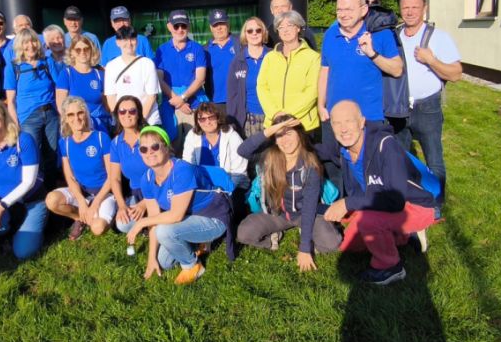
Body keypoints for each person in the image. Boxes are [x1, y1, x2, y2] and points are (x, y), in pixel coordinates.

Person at [322, 100, 439, 285]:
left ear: (361, 122)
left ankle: (390, 267)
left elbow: (395, 199)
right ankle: (405, 235)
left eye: (349, 121)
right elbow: (318, 151)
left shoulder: (386, 145)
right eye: (337, 123)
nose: (343, 129)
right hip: (382, 205)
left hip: (415, 205)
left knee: (368, 222)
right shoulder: (344, 150)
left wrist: (347, 203)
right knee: (350, 246)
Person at [125, 126, 231, 285]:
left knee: (164, 231)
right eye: (144, 149)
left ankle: (192, 266)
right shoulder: (146, 178)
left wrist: (141, 222)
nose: (149, 152)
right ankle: (197, 243)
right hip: (190, 218)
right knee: (165, 262)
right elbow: (154, 219)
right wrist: (151, 259)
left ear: (166, 148)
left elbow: (176, 215)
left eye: (155, 146)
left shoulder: (181, 170)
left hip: (213, 217)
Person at [236, 114, 342, 272]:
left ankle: (305, 232)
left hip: (305, 214)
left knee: (332, 242)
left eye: (289, 133)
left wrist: (305, 248)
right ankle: (274, 237)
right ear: (275, 139)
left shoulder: (310, 165)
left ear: (300, 134)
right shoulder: (270, 157)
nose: (285, 140)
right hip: (277, 215)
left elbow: (309, 207)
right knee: (243, 233)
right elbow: (242, 150)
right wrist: (272, 129)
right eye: (280, 135)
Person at [395, 0, 462, 188]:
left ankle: (437, 204)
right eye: (405, 8)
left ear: (425, 9)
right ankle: (404, 199)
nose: (409, 12)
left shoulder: (439, 37)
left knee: (434, 160)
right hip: (398, 108)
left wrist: (431, 60)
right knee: (398, 158)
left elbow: (456, 74)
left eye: (415, 7)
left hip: (427, 107)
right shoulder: (395, 35)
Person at [0, 99, 48, 260]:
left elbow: (28, 182)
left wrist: (2, 205)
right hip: (1, 203)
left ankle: (39, 224)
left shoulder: (23, 140)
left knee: (23, 252)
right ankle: (13, 226)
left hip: (30, 200)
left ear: (5, 118)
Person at [317, 0, 404, 125]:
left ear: (363, 10)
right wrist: (321, 105)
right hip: (334, 116)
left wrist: (372, 54)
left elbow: (397, 69)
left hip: (368, 117)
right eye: (339, 10)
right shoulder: (330, 35)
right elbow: (325, 71)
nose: (343, 15)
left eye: (349, 9)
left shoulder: (381, 34)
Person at [46, 97, 117, 239]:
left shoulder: (101, 138)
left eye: (80, 113)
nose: (76, 118)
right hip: (82, 194)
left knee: (97, 229)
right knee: (51, 200)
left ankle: (111, 216)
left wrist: (96, 203)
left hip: (103, 193)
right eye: (70, 115)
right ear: (65, 118)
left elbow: (112, 177)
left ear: (86, 114)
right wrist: (80, 202)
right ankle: (80, 218)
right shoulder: (65, 143)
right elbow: (70, 177)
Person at [3, 28, 59, 171]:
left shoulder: (47, 61)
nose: (31, 46)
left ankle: (51, 188)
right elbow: (10, 100)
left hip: (51, 114)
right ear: (19, 46)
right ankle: (36, 189)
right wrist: (15, 124)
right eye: (26, 43)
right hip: (28, 117)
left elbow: (59, 88)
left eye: (34, 41)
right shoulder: (13, 67)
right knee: (33, 156)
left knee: (51, 155)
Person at [257, 10, 321, 135]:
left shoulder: (313, 57)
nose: (285, 30)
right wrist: (275, 114)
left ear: (298, 28)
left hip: (301, 124)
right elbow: (262, 87)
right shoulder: (269, 58)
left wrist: (289, 116)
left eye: (290, 25)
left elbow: (312, 91)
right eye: (281, 27)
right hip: (274, 122)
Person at [155, 9, 208, 146]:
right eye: (176, 26)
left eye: (183, 26)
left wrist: (183, 98)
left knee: (197, 144)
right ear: (169, 26)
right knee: (172, 145)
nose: (179, 30)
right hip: (171, 104)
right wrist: (178, 101)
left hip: (193, 104)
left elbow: (200, 78)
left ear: (188, 26)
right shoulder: (162, 49)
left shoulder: (197, 48)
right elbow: (159, 79)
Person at [181, 103, 248, 190]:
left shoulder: (232, 137)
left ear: (218, 118)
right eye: (202, 119)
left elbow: (239, 173)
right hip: (202, 187)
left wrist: (224, 193)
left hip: (230, 186)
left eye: (211, 117)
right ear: (198, 121)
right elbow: (188, 166)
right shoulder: (192, 136)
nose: (207, 122)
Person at [104, 26, 161, 125]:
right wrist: (123, 121)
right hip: (122, 123)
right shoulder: (111, 66)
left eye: (132, 39)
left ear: (137, 41)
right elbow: (111, 97)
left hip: (147, 121)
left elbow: (151, 96)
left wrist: (139, 120)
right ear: (118, 42)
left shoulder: (147, 63)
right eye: (124, 39)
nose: (129, 43)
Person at [108, 95, 149, 234]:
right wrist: (122, 206)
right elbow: (115, 179)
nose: (127, 115)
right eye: (122, 111)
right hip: (136, 193)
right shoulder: (115, 143)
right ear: (117, 115)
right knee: (123, 225)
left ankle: (150, 222)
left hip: (157, 190)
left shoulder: (150, 136)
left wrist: (145, 204)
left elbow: (164, 174)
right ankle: (147, 222)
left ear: (138, 114)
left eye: (132, 111)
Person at [226, 17, 271, 137]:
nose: (254, 33)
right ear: (245, 35)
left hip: (272, 117)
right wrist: (231, 121)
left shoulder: (274, 57)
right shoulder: (237, 61)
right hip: (249, 120)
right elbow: (232, 95)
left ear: (264, 32)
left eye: (258, 30)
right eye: (250, 31)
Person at [56, 35, 110, 132]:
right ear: (72, 52)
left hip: (99, 126)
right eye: (78, 50)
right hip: (76, 126)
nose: (83, 52)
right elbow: (61, 107)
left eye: (86, 49)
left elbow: (107, 105)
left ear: (92, 50)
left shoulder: (100, 75)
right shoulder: (66, 74)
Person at [205, 9, 237, 114]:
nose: (219, 28)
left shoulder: (240, 44)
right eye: (215, 25)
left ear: (228, 24)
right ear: (211, 28)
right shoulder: (205, 50)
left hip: (239, 100)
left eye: (222, 24)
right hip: (215, 103)